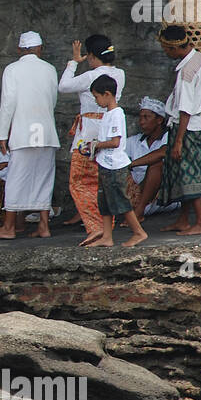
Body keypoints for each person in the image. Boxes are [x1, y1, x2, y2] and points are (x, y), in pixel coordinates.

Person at [0, 32, 60, 240]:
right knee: (44, 178)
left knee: (16, 179)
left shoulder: (12, 69)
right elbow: (52, 101)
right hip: (46, 131)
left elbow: (7, 104)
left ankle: (8, 227)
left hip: (23, 132)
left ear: (20, 50)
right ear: (40, 49)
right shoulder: (50, 69)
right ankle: (44, 226)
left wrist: (2, 134)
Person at [58, 35, 126, 240]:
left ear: (91, 56)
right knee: (101, 182)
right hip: (109, 129)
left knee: (79, 182)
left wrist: (73, 62)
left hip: (88, 134)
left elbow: (63, 86)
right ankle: (105, 229)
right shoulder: (120, 73)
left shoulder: (90, 76)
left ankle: (95, 227)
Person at [157, 25, 201, 235]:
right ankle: (183, 219)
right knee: (183, 173)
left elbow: (185, 109)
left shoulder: (186, 73)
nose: (165, 52)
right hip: (199, 124)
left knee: (190, 176)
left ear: (174, 49)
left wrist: (179, 140)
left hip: (187, 128)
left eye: (166, 49)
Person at [81, 75, 147, 248]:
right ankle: (107, 237)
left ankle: (139, 232)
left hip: (114, 165)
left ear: (107, 94)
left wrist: (96, 144)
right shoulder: (108, 114)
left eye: (97, 97)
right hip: (105, 163)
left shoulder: (117, 114)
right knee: (105, 201)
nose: (96, 101)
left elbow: (115, 142)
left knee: (120, 201)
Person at [124, 98, 181, 221]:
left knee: (156, 166)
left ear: (159, 120)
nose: (141, 122)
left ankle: (139, 211)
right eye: (140, 117)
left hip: (162, 196)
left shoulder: (169, 136)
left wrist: (132, 164)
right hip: (137, 192)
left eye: (146, 117)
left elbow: (163, 152)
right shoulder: (135, 141)